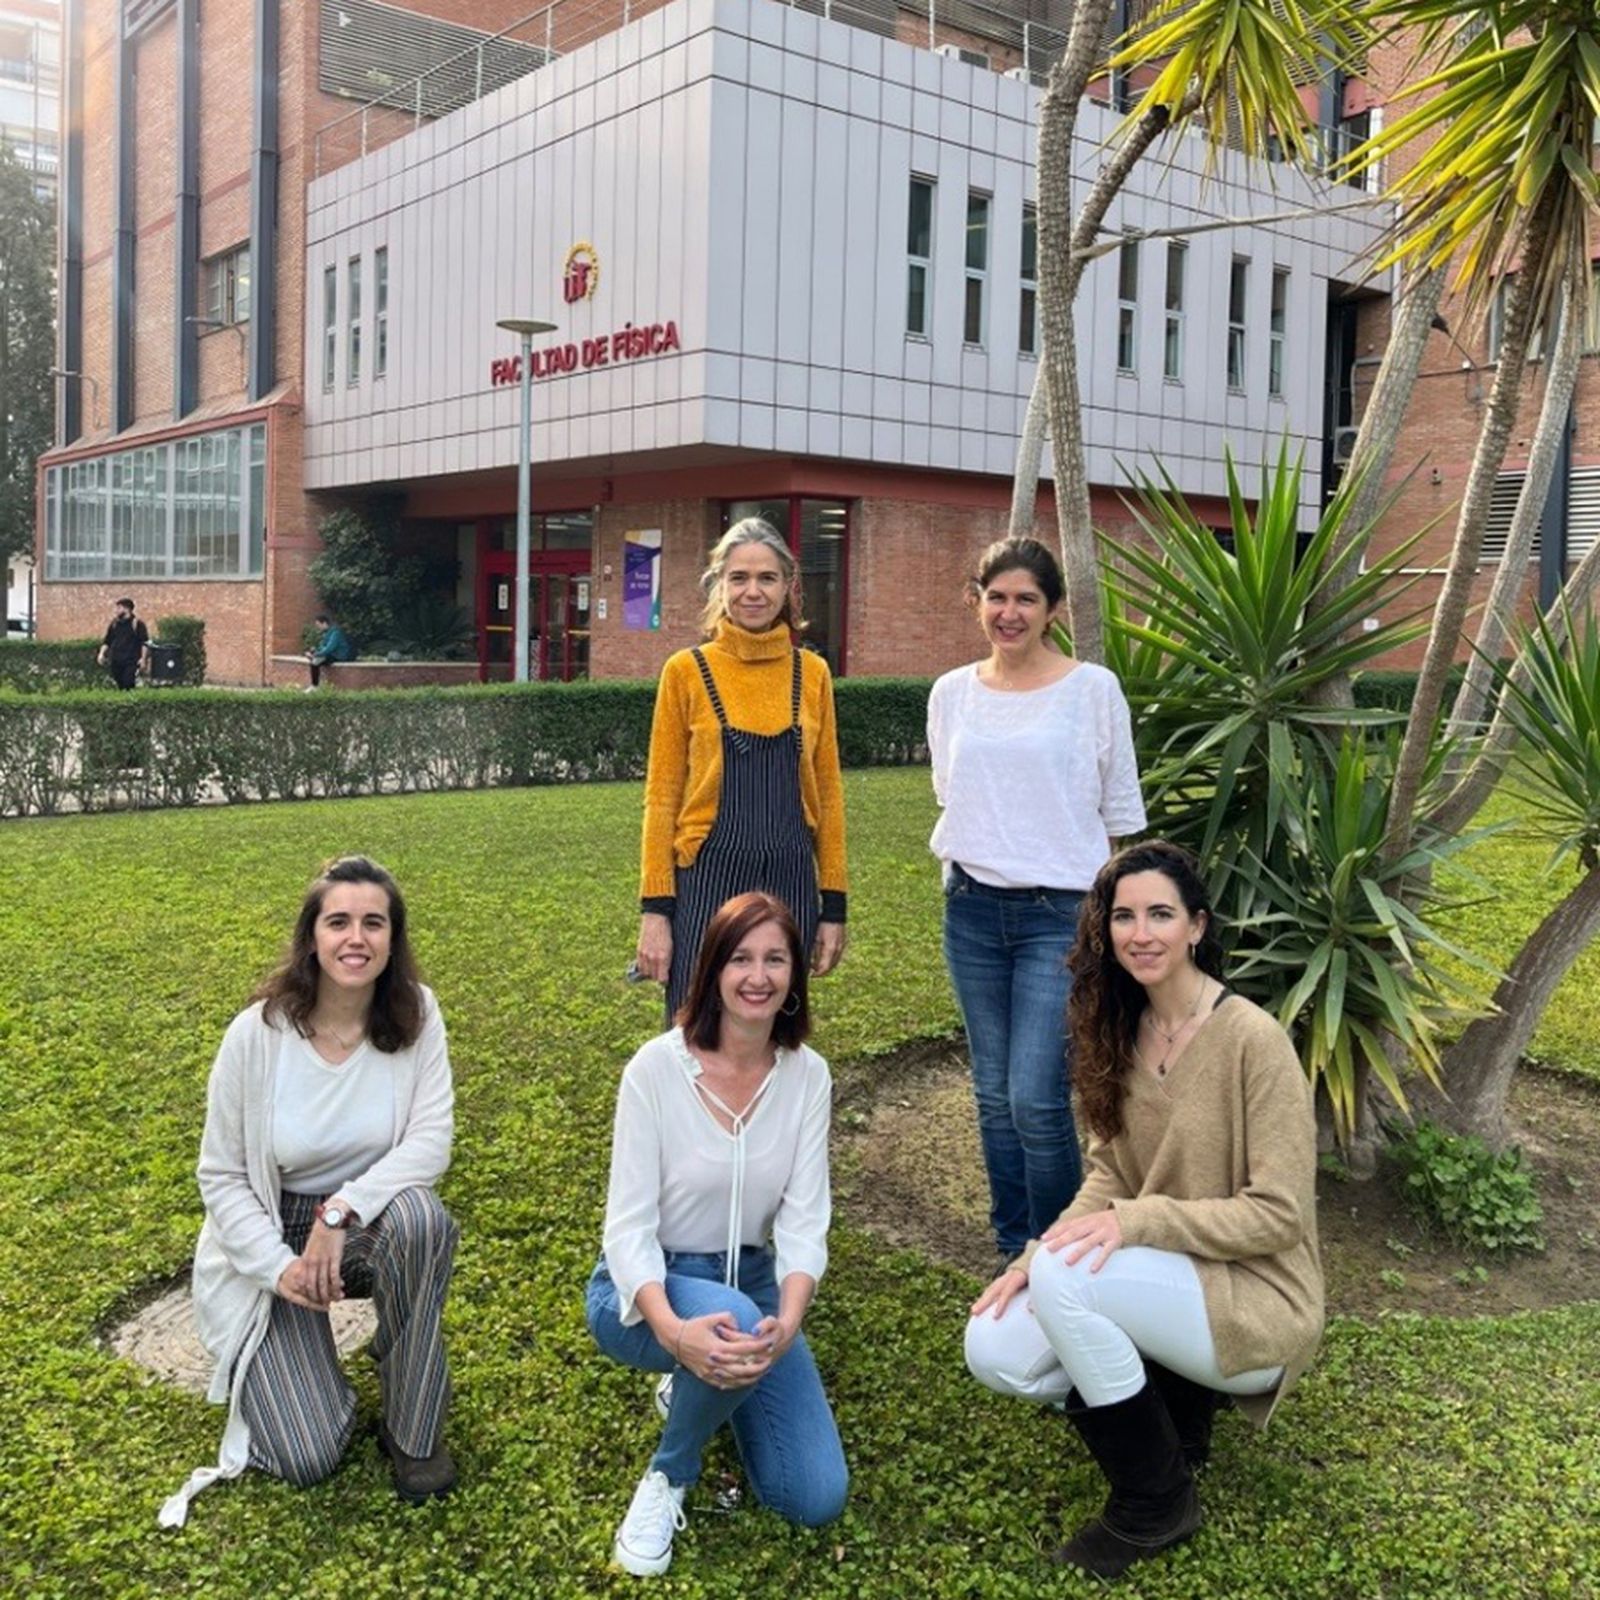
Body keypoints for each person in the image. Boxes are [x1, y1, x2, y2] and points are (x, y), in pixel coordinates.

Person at [963, 841, 1324, 1579]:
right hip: (1165, 1282)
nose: (1141, 933)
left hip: (1258, 1297)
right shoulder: (1119, 1034)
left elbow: (1279, 1215)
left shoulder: (1253, 1040)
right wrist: (1033, 1256)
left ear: (1197, 926)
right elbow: (1108, 1176)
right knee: (993, 1345)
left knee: (1072, 1282)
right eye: (1123, 916)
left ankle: (1155, 1501)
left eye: (1160, 914)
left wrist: (1140, 1222)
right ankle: (1173, 1417)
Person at [160, 855, 458, 1529]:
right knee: (306, 1454)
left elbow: (429, 1144)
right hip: (276, 1234)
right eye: (339, 922)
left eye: (373, 923)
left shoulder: (417, 1015)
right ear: (312, 937)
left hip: (363, 1220)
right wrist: (278, 1266)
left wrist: (341, 1210)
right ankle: (310, 1373)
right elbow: (222, 1174)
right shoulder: (257, 1035)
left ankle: (412, 1427)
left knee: (422, 1220)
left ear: (393, 938)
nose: (357, 938)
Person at [588, 891, 848, 1577]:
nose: (757, 976)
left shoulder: (807, 1076)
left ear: (795, 975)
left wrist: (788, 1320)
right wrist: (673, 1329)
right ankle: (669, 1473)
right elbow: (628, 1226)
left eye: (775, 959)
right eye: (740, 959)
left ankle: (708, 1384)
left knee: (814, 1496)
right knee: (727, 1319)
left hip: (755, 1282)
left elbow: (803, 1217)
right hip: (648, 1284)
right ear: (712, 970)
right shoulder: (654, 1069)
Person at [928, 537, 1145, 1265]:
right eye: (996, 596)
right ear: (976, 600)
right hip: (972, 909)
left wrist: (1119, 923)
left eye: (1026, 599)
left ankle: (1055, 1261)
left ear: (1053, 609)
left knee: (1035, 1098)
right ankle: (1008, 1248)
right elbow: (951, 796)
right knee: (991, 1094)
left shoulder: (1093, 689)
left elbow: (1120, 812)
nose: (1009, 612)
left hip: (1062, 914)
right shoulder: (951, 693)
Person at [634, 518, 848, 1019]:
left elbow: (830, 796)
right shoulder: (685, 671)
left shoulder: (811, 674)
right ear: (719, 585)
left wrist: (833, 906)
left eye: (767, 578)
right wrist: (656, 911)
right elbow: (661, 796)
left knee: (778, 1025)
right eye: (739, 578)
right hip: (706, 877)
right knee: (695, 1025)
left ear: (789, 587)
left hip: (790, 875)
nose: (753, 591)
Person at [98, 596, 149, 689]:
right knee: (119, 684)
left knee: (128, 682)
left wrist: (143, 659)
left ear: (127, 609)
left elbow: (144, 643)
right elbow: (107, 641)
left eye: (119, 608)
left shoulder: (137, 624)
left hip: (131, 660)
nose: (116, 611)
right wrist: (101, 654)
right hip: (116, 660)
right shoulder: (114, 624)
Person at [305, 613, 356, 689]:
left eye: (319, 625)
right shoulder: (326, 633)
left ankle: (314, 686)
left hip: (340, 656)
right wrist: (314, 651)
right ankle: (315, 684)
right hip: (332, 655)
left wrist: (316, 655)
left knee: (315, 661)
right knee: (315, 661)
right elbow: (322, 647)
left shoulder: (335, 633)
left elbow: (329, 649)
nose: (318, 628)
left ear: (325, 623)